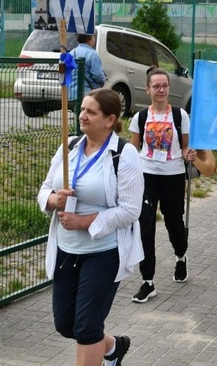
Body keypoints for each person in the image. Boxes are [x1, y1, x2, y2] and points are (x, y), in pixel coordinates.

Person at [37, 88, 143, 366]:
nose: (82, 115)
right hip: (66, 249)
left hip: (104, 252)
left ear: (110, 120)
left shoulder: (124, 154)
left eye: (90, 111)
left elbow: (131, 210)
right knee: (66, 324)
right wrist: (52, 199)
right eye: (82, 109)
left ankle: (102, 350)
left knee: (86, 327)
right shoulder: (68, 146)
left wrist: (84, 222)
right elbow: (45, 187)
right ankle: (113, 348)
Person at [128, 67, 195, 303]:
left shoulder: (179, 116)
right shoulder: (140, 118)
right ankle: (148, 281)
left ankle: (180, 255)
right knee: (145, 226)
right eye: (156, 86)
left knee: (174, 221)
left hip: (173, 175)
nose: (161, 90)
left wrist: (189, 153)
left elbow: (185, 147)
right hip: (147, 176)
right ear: (147, 90)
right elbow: (133, 150)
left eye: (164, 85)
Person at [68, 33, 106, 102]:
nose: (94, 40)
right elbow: (98, 75)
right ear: (89, 39)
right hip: (87, 95)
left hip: (72, 94)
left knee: (78, 112)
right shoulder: (92, 54)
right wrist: (104, 79)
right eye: (93, 37)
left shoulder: (71, 53)